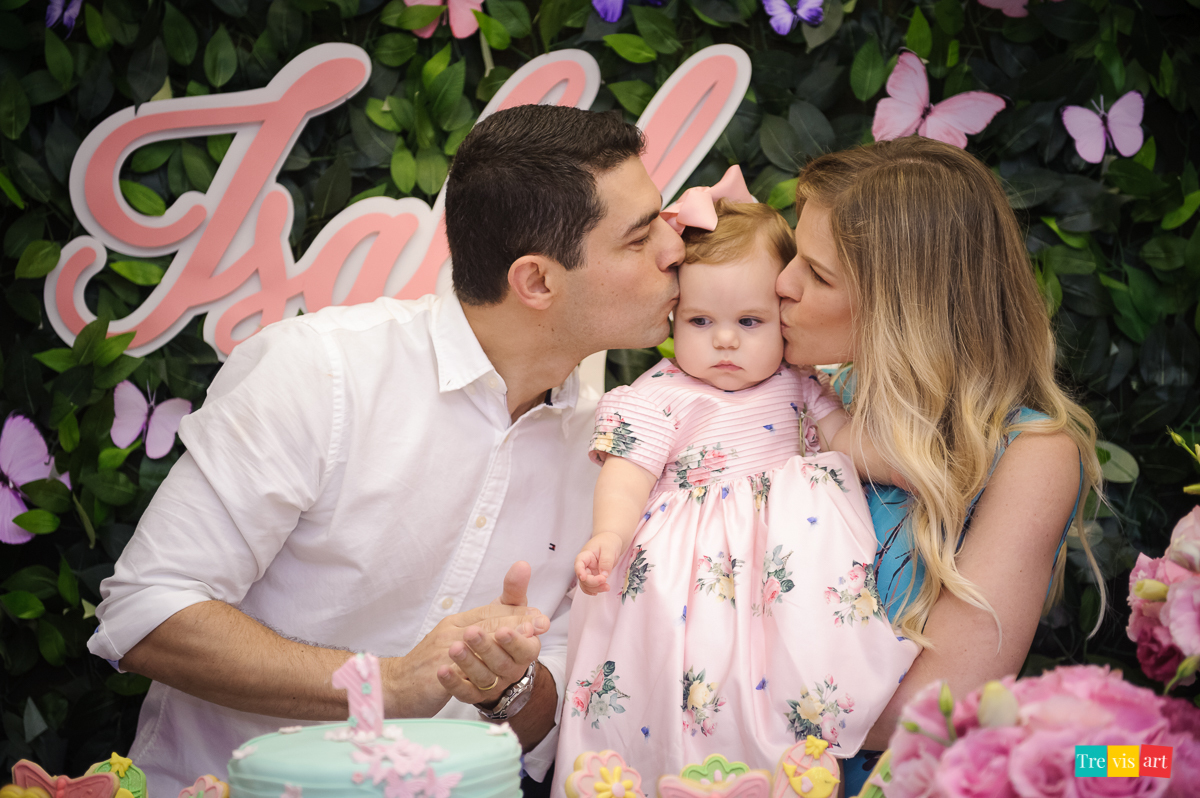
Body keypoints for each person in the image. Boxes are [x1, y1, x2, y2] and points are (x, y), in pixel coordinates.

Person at [85, 105, 686, 796]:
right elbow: (145, 614)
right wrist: (387, 683)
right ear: (538, 282)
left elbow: (545, 716)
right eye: (641, 239)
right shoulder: (319, 371)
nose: (677, 250)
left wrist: (509, 689)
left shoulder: (617, 443)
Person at [555, 184, 920, 786]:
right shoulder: (660, 396)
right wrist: (609, 537)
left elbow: (851, 443)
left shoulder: (800, 382)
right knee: (685, 674)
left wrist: (913, 465)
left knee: (802, 658)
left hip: (789, 566)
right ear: (673, 315)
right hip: (690, 580)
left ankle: (789, 766)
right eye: (701, 321)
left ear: (782, 314)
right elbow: (627, 476)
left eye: (750, 321)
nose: (725, 340)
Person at [772, 136, 1105, 794]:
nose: (781, 284)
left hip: (872, 781)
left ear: (903, 307)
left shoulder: (1029, 454)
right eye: (790, 258)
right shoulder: (797, 395)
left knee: (1151, 762)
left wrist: (710, 692)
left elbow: (932, 710)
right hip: (715, 770)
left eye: (817, 274)